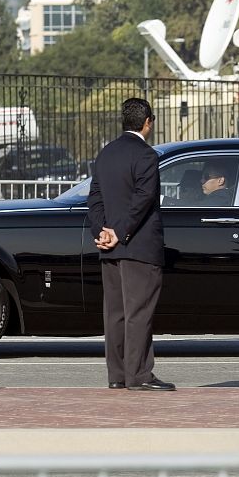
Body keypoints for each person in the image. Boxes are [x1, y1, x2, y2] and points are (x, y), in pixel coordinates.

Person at [87, 98, 175, 391]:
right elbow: (143, 201)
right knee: (139, 313)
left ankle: (117, 375)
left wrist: (103, 232)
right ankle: (139, 375)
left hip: (109, 249)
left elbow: (95, 198)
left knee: (115, 314)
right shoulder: (147, 156)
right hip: (138, 247)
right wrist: (120, 233)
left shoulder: (106, 154)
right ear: (148, 121)